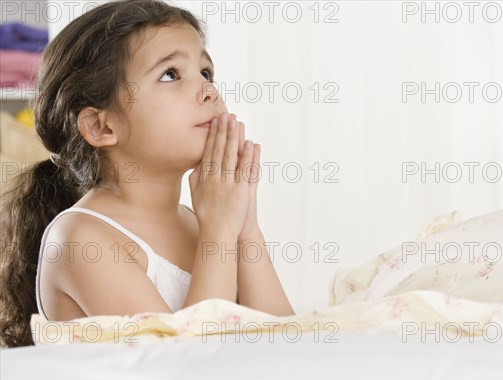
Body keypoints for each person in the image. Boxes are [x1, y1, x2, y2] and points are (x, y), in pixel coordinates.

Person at [0, 0, 295, 348]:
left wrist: (244, 226)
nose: (209, 90)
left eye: (206, 72)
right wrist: (218, 231)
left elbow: (286, 345)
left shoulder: (205, 221)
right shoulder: (81, 239)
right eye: (171, 74)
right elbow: (187, 371)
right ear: (101, 126)